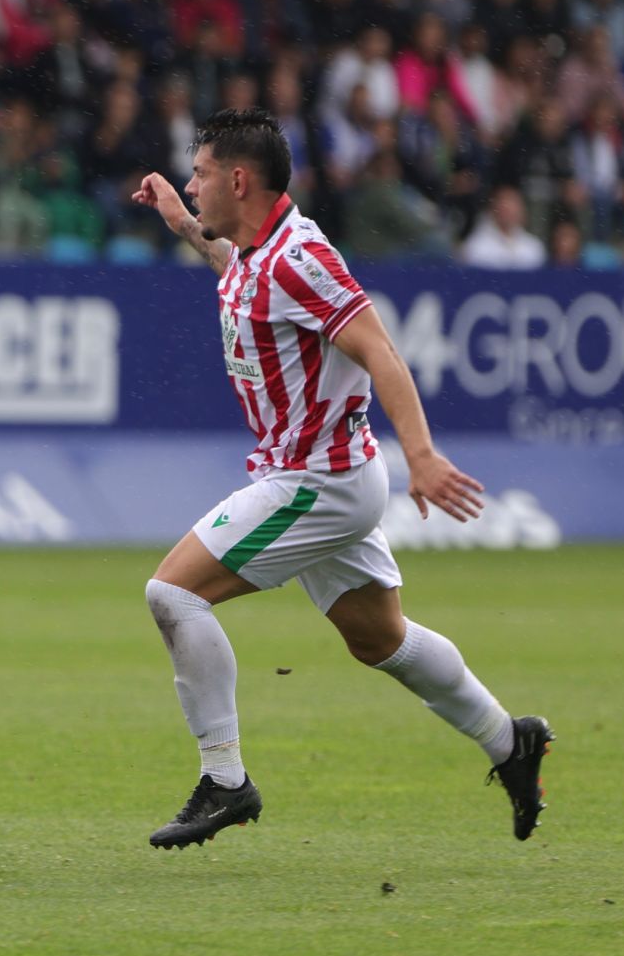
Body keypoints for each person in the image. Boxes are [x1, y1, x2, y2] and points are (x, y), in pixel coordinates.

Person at [129, 109, 552, 849]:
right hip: (327, 477)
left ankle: (225, 779)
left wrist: (420, 453)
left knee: (172, 591)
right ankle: (507, 741)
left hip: (312, 480)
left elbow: (379, 349)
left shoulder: (298, 256)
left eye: (198, 175)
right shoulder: (257, 252)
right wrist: (181, 223)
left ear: (238, 178)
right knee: (379, 638)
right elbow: (238, 275)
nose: (191, 185)